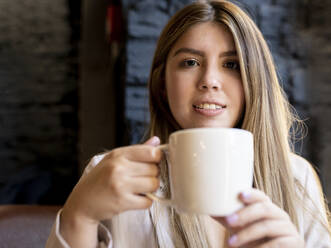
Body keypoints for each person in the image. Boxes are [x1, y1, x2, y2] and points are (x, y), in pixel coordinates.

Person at [46, 1, 331, 247]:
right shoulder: (110, 178)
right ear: (161, 84)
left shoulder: (297, 179)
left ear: (254, 83)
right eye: (190, 62)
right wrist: (79, 215)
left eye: (231, 64)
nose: (209, 80)